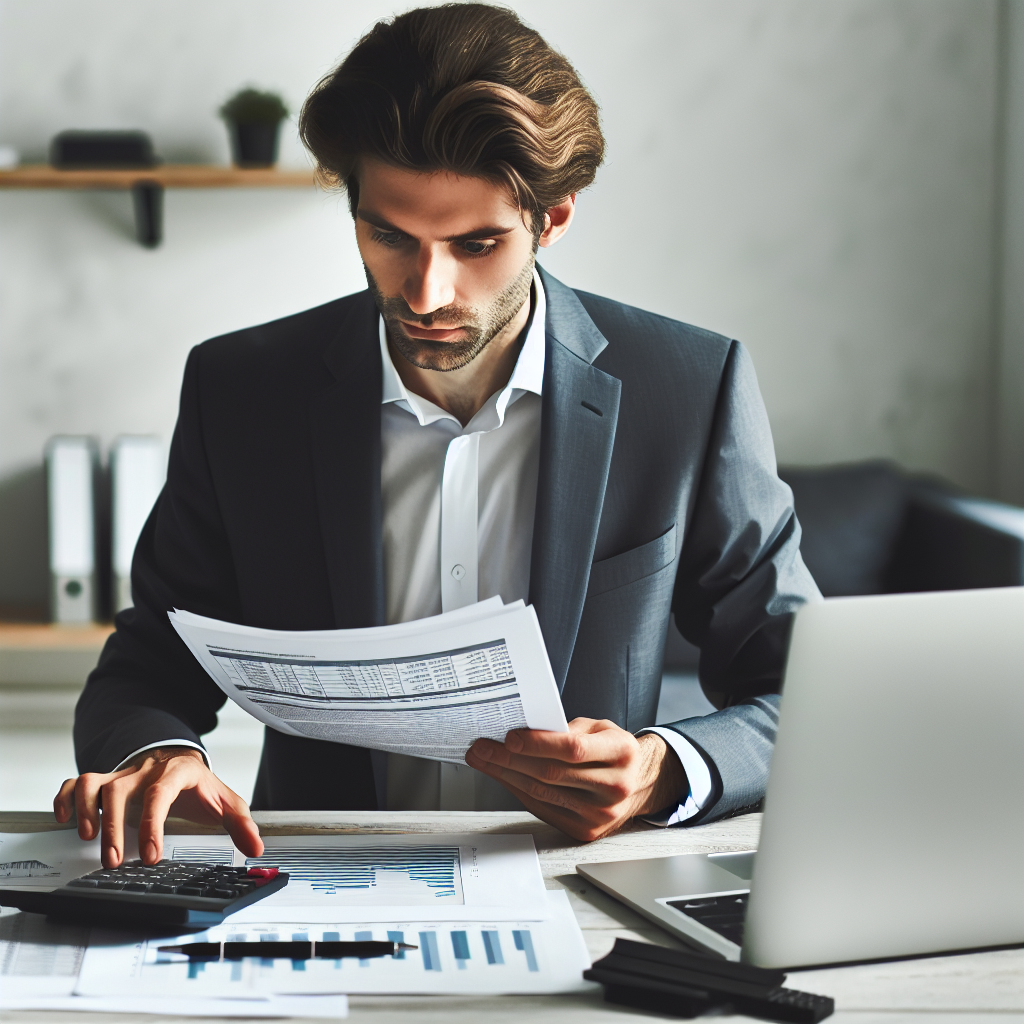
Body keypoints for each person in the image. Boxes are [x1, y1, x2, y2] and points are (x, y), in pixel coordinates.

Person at [56, 3, 820, 869]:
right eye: (390, 235)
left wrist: (664, 769)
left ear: (555, 216)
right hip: (314, 884)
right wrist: (156, 757)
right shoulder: (241, 391)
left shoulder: (689, 387)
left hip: (586, 888)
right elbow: (149, 664)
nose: (425, 292)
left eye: (477, 243)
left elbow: (805, 691)